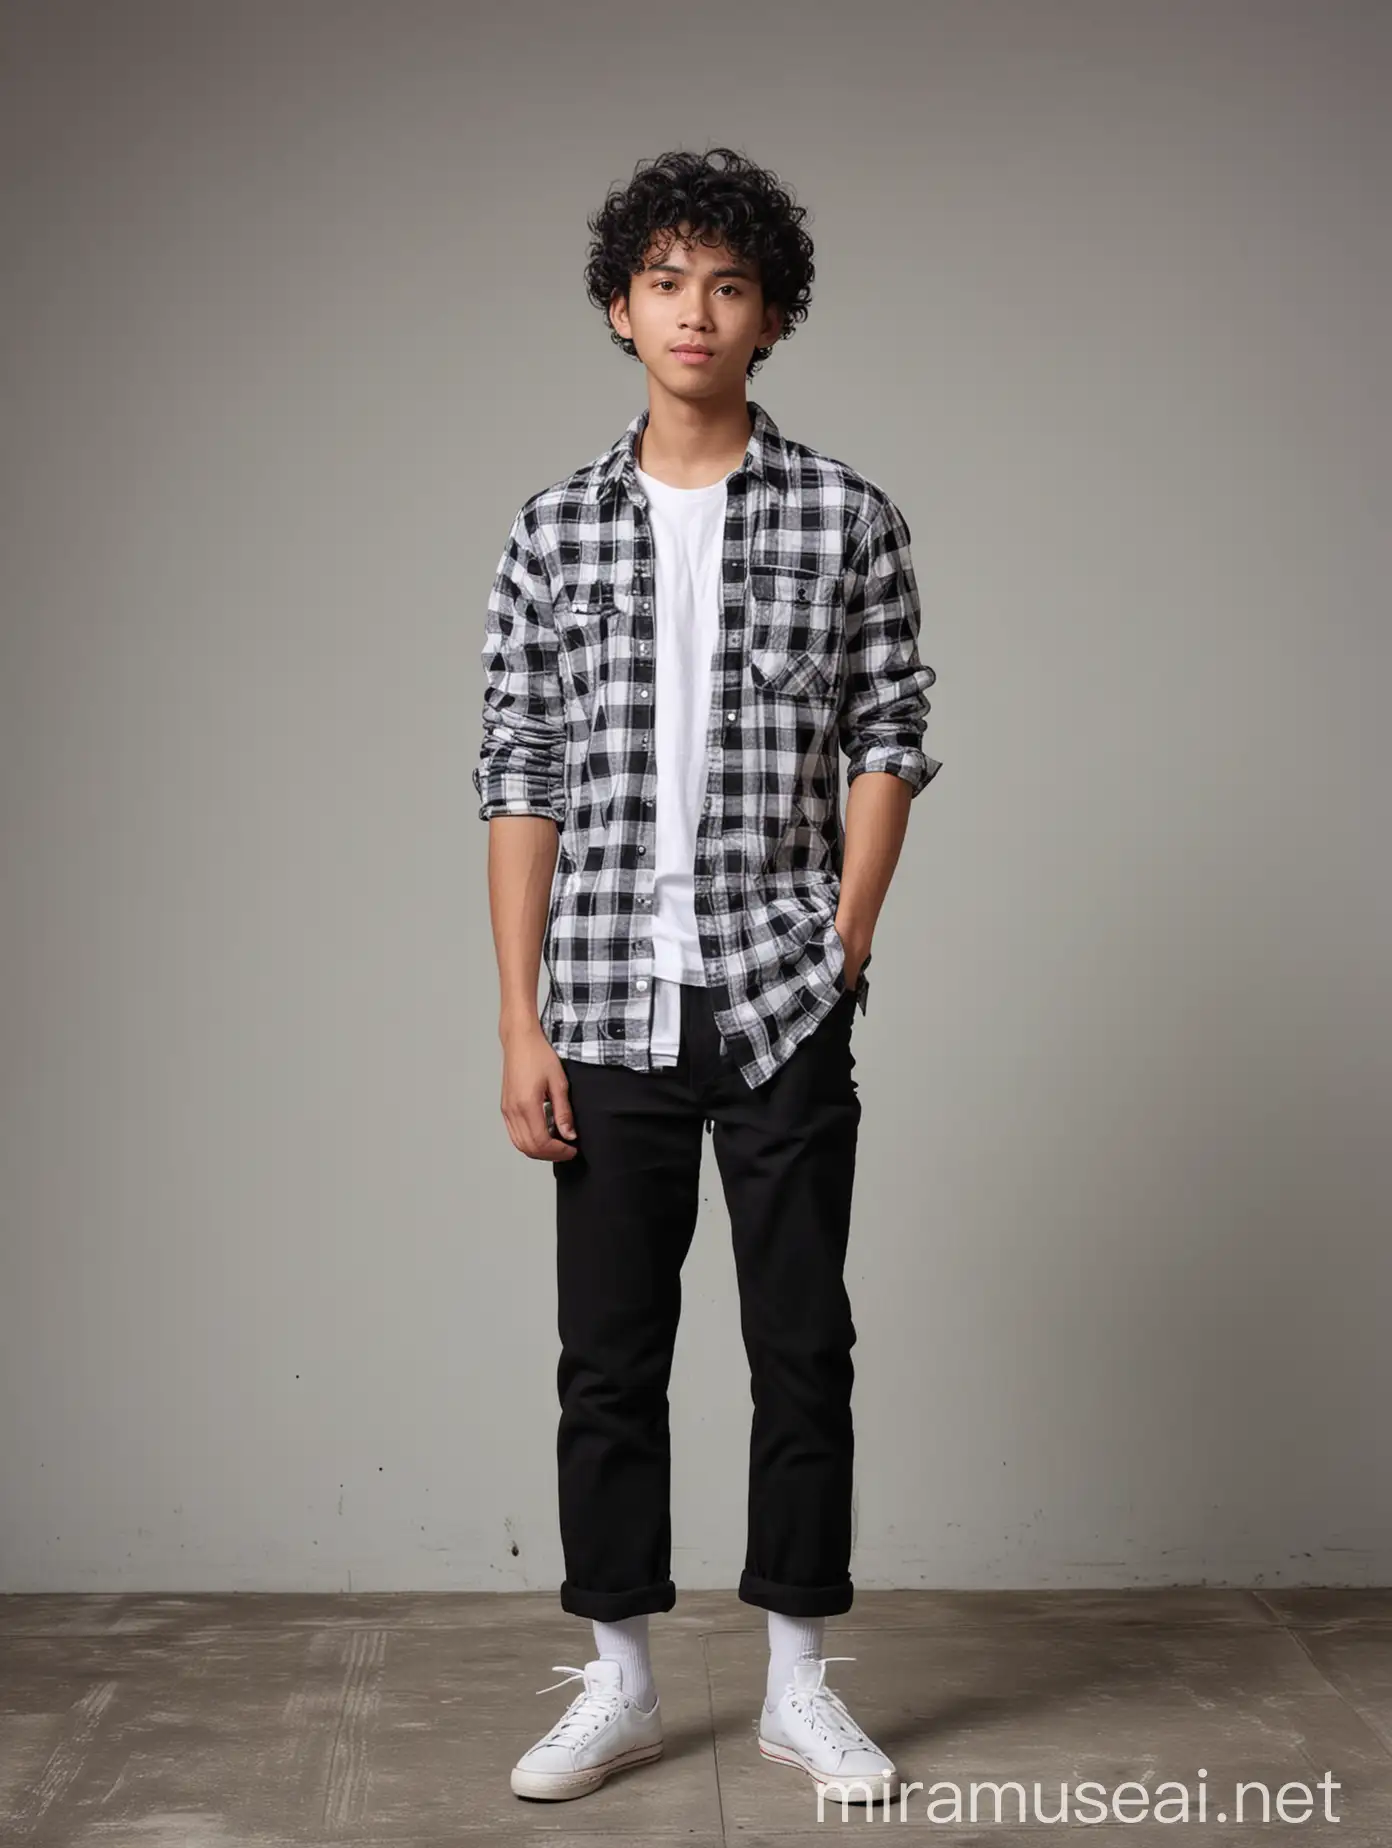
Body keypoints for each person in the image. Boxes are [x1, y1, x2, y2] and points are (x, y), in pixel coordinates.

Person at [473, 146, 941, 1806]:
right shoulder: (553, 528)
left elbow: (891, 727)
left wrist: (851, 926)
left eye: (729, 283)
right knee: (610, 1357)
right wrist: (520, 1016)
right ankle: (618, 1682)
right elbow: (519, 767)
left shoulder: (844, 515)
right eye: (666, 279)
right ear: (621, 307)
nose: (696, 309)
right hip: (603, 999)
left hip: (778, 996)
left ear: (772, 316)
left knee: (801, 1342)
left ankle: (805, 1685)